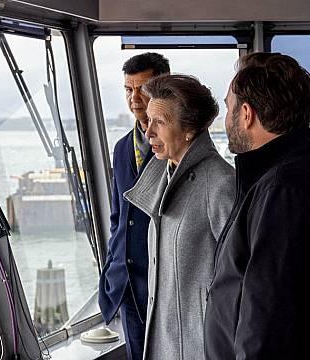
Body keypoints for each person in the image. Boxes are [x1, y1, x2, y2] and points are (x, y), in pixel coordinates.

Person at [204, 52, 310, 359]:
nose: (226, 119)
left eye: (229, 107)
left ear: (247, 114)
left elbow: (269, 322)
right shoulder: (300, 173)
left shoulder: (283, 190)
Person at [124, 74, 235, 359]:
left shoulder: (221, 184)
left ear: (189, 130)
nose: (148, 133)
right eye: (148, 121)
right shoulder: (163, 173)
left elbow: (240, 283)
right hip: (164, 340)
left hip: (200, 346)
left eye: (159, 122)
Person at [98, 52, 169, 360]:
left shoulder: (178, 146)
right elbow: (118, 217)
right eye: (129, 89)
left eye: (143, 88)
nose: (135, 97)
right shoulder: (122, 148)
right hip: (127, 284)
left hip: (164, 284)